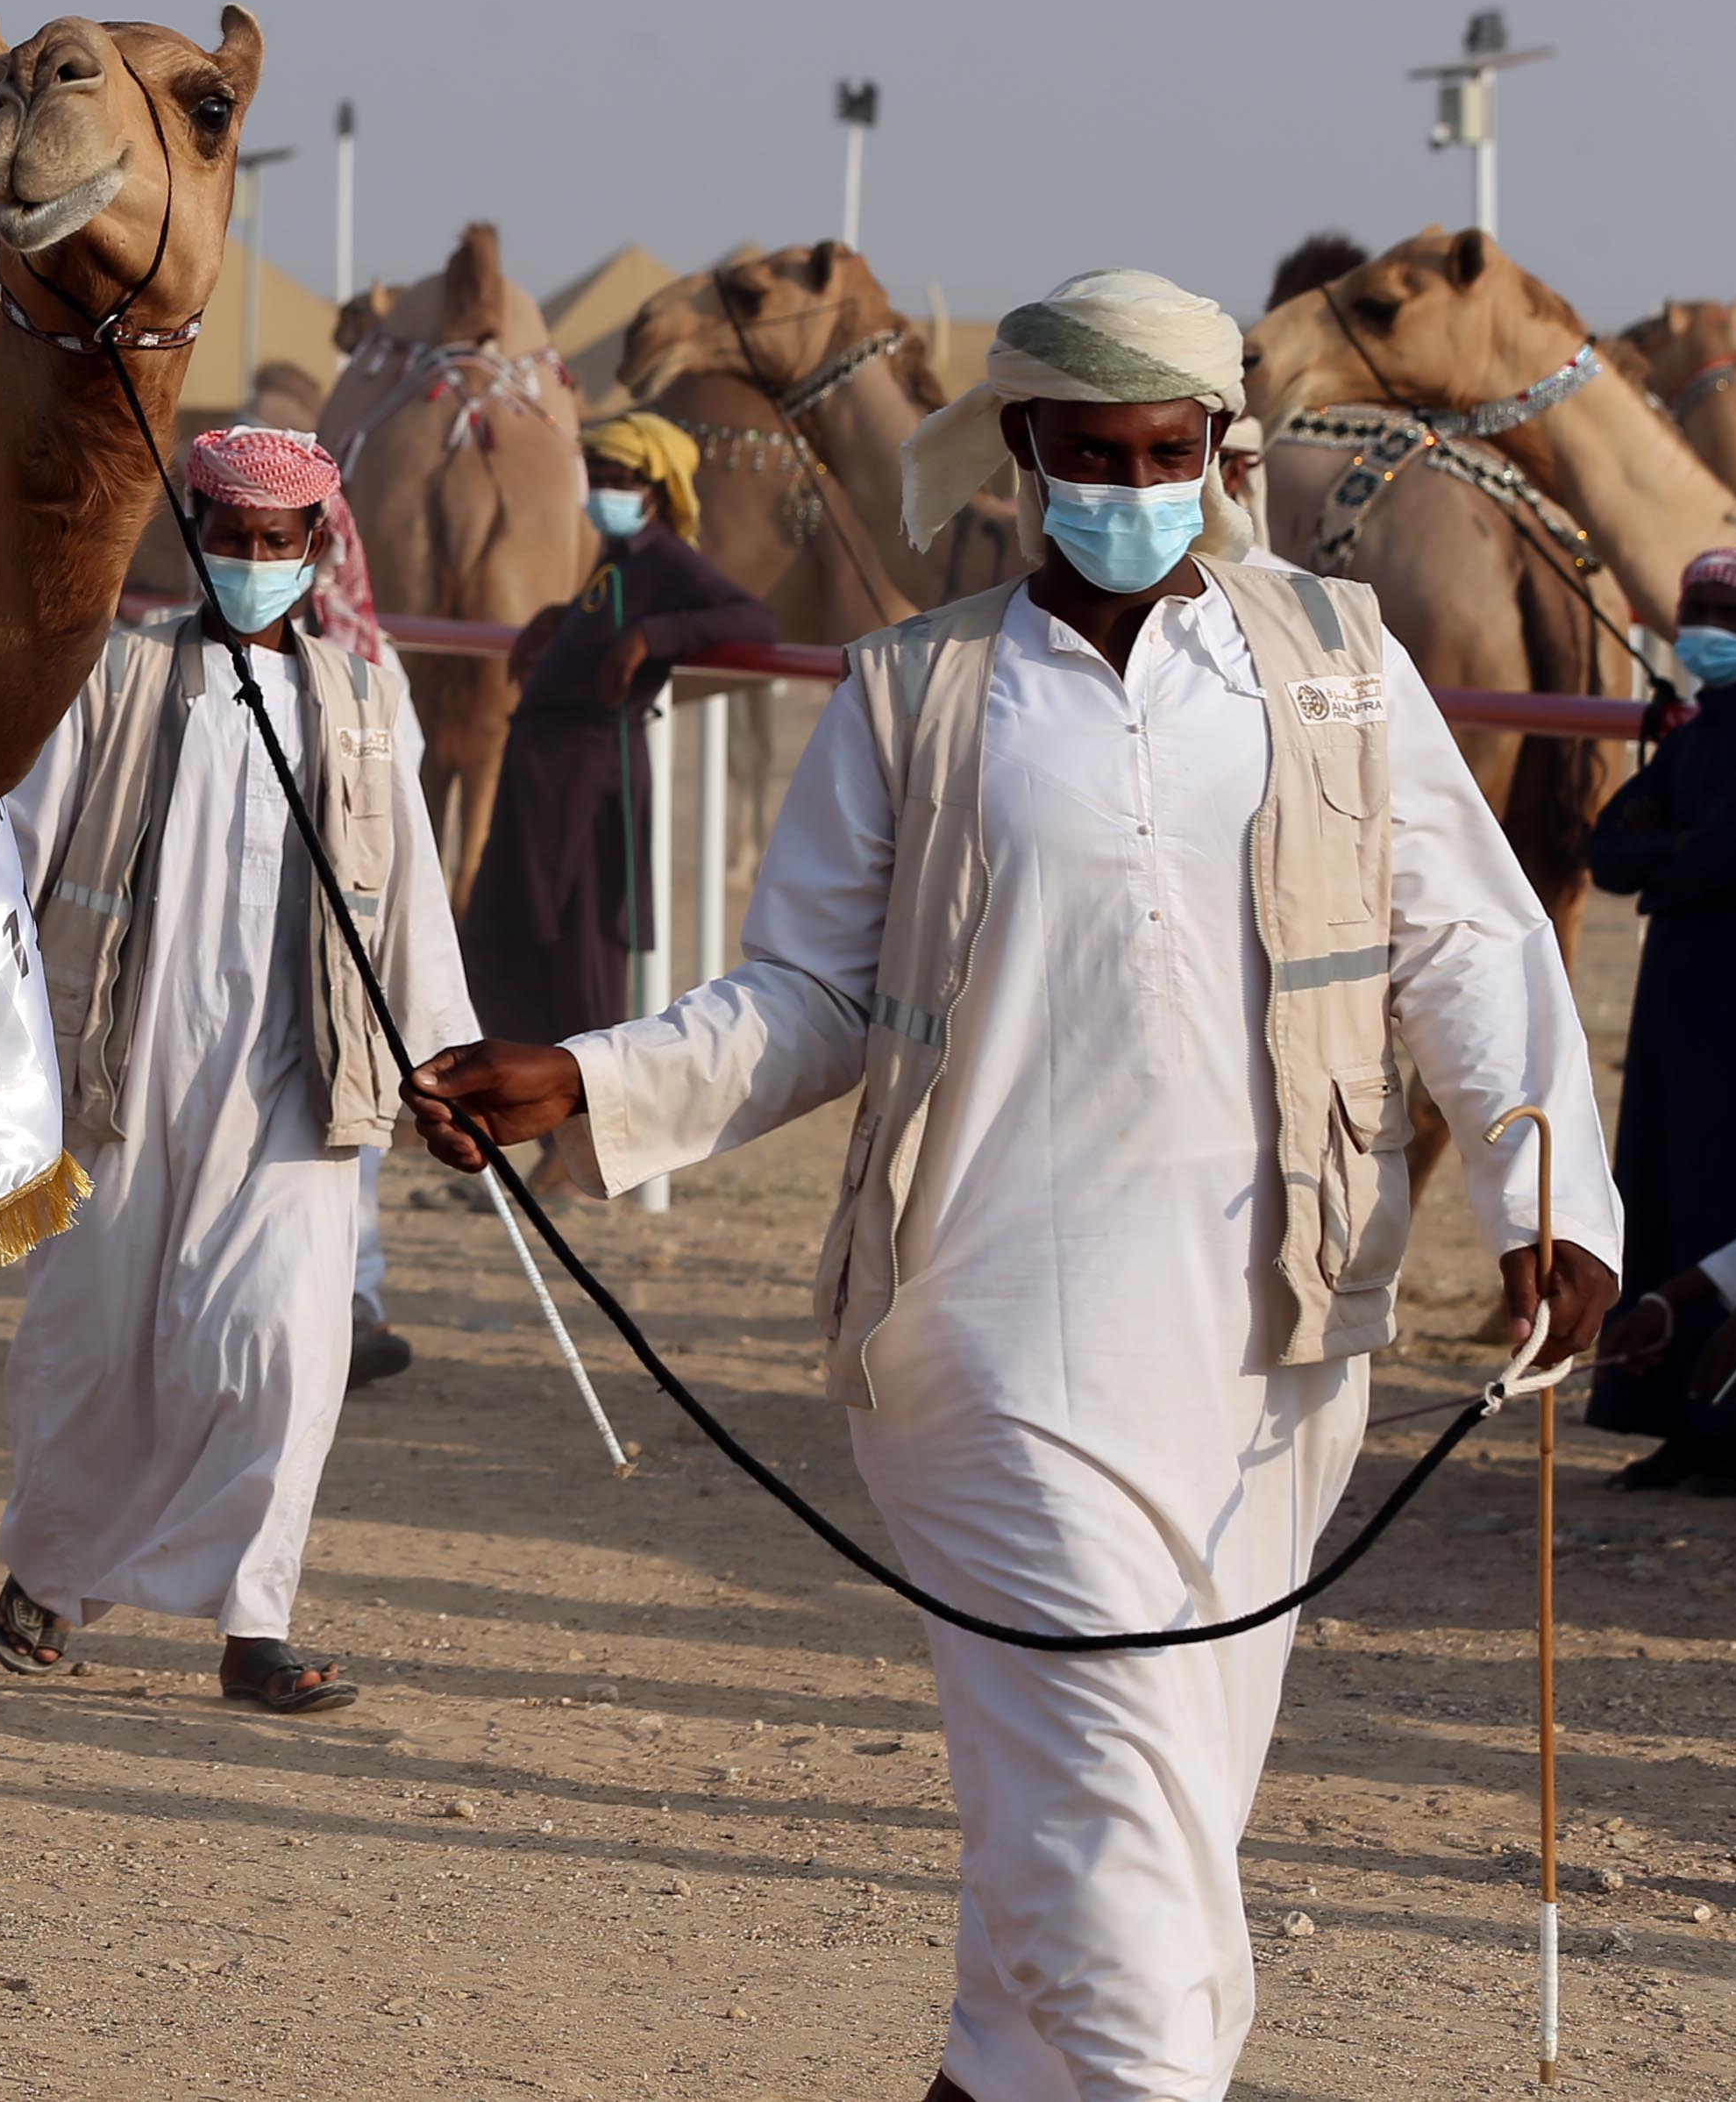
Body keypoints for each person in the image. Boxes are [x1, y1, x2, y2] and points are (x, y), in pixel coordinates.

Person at [406, 269, 1619, 2100]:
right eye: (1092, 451)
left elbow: (1469, 942)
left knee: (1140, 1814)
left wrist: (1547, 1211)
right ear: (1025, 451)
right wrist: (591, 1078)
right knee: (1125, 1865)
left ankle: (991, 2069)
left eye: (1167, 451)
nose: (1131, 484)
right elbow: (809, 994)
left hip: (1274, 1346)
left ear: (1220, 453)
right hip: (986, 1331)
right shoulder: (920, 690)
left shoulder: (1338, 663)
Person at [0, 424, 476, 1717]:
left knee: (281, 1348)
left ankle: (253, 1624)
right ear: (194, 539)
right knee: (91, 1346)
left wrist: (438, 1064)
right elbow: (19, 863)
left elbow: (410, 897)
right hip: (122, 1062)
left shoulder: (368, 703)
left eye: (278, 543)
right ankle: (49, 1571)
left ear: (315, 551)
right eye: (232, 541)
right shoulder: (117, 679)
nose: (255, 563)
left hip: (295, 1073)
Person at [458, 409, 773, 1127]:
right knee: (512, 947)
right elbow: (602, 620)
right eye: (596, 476)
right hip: (543, 777)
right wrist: (561, 619)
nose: (605, 489)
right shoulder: (618, 561)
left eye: (622, 479)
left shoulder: (666, 560)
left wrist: (653, 638)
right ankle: (531, 1135)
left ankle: (583, 1143)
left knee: (584, 958)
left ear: (657, 490)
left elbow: (755, 621)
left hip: (592, 780)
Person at [1582, 551, 1736, 1493]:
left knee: (1733, 1186)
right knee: (1668, 1182)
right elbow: (1607, 849)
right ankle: (1676, 1418)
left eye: (1728, 611)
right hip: (1680, 985)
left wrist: (1674, 854)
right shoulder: (1698, 733)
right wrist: (1681, 854)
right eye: (1696, 609)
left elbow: (1719, 859)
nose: (1708, 628)